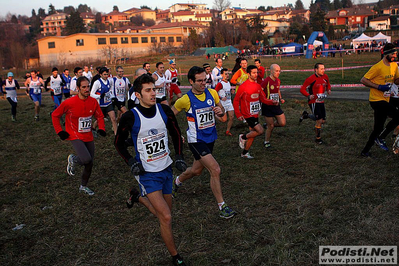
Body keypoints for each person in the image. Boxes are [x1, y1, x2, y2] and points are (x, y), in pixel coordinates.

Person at [114, 74, 187, 266]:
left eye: (154, 89)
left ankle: (137, 197)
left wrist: (178, 156)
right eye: (148, 90)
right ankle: (175, 257)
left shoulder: (164, 110)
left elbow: (177, 134)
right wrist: (131, 162)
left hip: (166, 169)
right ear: (138, 95)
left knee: (164, 214)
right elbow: (118, 143)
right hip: (146, 173)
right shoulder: (130, 117)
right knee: (166, 216)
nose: (153, 93)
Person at [172, 66, 237, 219]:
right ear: (191, 82)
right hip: (196, 141)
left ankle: (176, 181)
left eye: (205, 80)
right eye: (200, 81)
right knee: (215, 169)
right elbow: (170, 115)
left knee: (196, 171)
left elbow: (223, 117)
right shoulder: (185, 99)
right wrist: (176, 134)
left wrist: (220, 113)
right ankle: (222, 206)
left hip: (210, 138)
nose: (203, 83)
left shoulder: (212, 93)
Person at [52, 76, 106, 195]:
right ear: (78, 88)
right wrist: (60, 131)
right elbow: (55, 115)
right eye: (84, 87)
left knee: (90, 162)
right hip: (74, 134)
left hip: (88, 135)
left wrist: (101, 128)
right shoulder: (69, 102)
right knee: (86, 159)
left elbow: (100, 116)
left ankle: (83, 186)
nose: (87, 89)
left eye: (88, 87)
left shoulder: (92, 102)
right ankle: (74, 159)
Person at [360, 43, 399, 157]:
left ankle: (365, 151)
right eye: (392, 54)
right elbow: (363, 80)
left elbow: (396, 80)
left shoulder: (394, 66)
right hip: (376, 100)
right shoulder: (377, 67)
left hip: (386, 99)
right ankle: (381, 137)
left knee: (378, 128)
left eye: (396, 54)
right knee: (398, 115)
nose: (394, 56)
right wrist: (379, 87)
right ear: (386, 54)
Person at [234, 65, 278, 159]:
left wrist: (272, 102)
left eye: (257, 72)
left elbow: (263, 99)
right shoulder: (243, 87)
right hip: (247, 114)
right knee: (260, 130)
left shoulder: (258, 86)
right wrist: (238, 114)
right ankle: (243, 137)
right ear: (248, 74)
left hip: (255, 113)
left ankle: (244, 153)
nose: (256, 74)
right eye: (253, 73)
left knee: (253, 133)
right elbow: (236, 100)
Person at [299, 63, 332, 144]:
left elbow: (328, 85)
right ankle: (318, 138)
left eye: (324, 68)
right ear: (316, 70)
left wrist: (328, 89)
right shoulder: (310, 79)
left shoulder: (325, 77)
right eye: (321, 69)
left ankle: (306, 115)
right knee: (319, 120)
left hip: (321, 101)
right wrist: (308, 95)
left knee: (323, 120)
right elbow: (302, 89)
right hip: (313, 101)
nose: (323, 70)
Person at [260, 64, 286, 148]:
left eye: (279, 71)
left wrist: (280, 98)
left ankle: (266, 125)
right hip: (267, 106)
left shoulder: (278, 80)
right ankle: (266, 141)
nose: (278, 73)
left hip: (276, 105)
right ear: (271, 71)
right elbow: (260, 91)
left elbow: (277, 90)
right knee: (270, 126)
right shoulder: (266, 81)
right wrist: (265, 100)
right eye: (276, 71)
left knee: (282, 123)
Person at [90, 67, 118, 135]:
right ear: (100, 75)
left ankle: (116, 134)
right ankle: (93, 128)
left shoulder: (109, 81)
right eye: (104, 74)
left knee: (113, 118)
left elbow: (110, 90)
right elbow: (91, 94)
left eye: (107, 74)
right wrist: (99, 96)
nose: (106, 76)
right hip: (101, 105)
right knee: (99, 119)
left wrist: (113, 97)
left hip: (108, 103)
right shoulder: (97, 83)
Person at [215, 68, 235, 136]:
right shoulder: (220, 84)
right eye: (225, 74)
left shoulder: (228, 82)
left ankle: (227, 131)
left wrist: (231, 92)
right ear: (222, 75)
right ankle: (215, 115)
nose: (227, 75)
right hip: (222, 103)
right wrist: (220, 97)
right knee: (224, 120)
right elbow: (214, 93)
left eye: (228, 74)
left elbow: (227, 92)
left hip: (229, 102)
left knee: (232, 117)